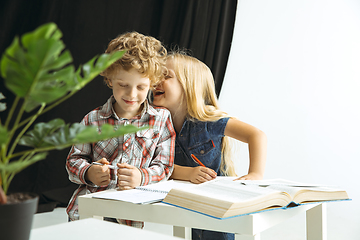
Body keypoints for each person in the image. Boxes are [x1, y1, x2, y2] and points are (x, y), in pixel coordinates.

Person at [152, 52, 267, 240]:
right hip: (185, 203)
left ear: (189, 85)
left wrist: (255, 174)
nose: (157, 81)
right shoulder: (157, 124)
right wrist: (187, 173)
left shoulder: (209, 120)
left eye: (166, 76)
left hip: (219, 202)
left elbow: (257, 135)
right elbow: (157, 168)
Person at [65, 32, 176, 228]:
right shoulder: (92, 119)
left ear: (152, 84)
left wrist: (142, 177)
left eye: (141, 87)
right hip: (89, 209)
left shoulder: (161, 119)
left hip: (130, 213)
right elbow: (74, 161)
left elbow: (165, 166)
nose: (131, 94)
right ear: (109, 79)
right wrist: (90, 172)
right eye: (123, 85)